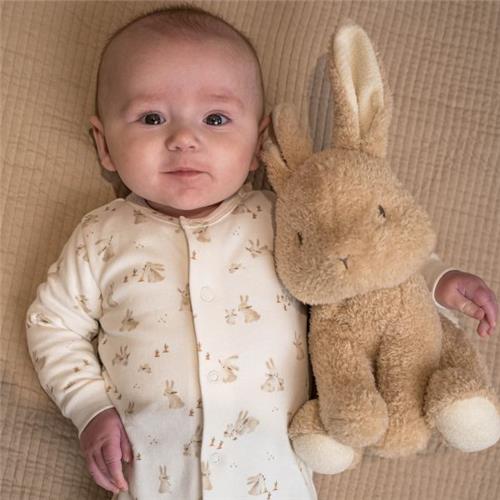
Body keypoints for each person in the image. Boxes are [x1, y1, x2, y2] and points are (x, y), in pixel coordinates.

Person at [26, 5, 498, 500]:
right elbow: (51, 325)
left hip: (274, 480)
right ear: (104, 144)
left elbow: (364, 264)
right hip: (152, 482)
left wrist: (439, 282)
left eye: (215, 118)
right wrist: (90, 408)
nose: (184, 139)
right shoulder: (101, 236)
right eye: (151, 117)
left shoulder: (284, 218)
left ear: (257, 144)